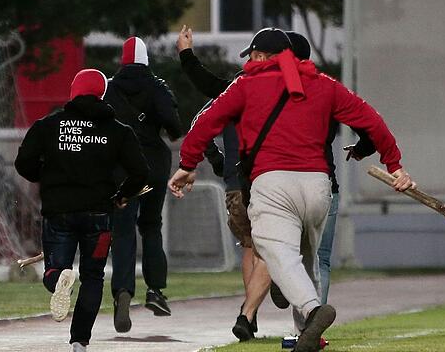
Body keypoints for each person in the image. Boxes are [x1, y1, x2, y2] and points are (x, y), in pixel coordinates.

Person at [169, 27, 414, 352]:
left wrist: (187, 166)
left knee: (275, 250)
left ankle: (313, 310)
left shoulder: (246, 85)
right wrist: (395, 166)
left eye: (253, 55)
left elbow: (205, 123)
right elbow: (372, 121)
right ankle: (308, 331)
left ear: (259, 57)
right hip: (318, 185)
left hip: (273, 183)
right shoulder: (324, 85)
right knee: (307, 258)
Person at [14, 69, 149, 352]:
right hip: (99, 214)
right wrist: (121, 195)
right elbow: (140, 172)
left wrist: (48, 177)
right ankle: (79, 342)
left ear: (73, 91)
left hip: (58, 212)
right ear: (102, 93)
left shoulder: (48, 125)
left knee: (54, 266)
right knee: (94, 276)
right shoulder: (118, 131)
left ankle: (58, 279)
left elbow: (23, 163)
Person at [103, 36, 183, 332]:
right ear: (146, 60)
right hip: (153, 167)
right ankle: (156, 290)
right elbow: (174, 127)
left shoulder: (108, 89)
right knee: (151, 226)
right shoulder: (158, 86)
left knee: (122, 230)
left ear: (122, 61)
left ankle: (122, 292)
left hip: (121, 170)